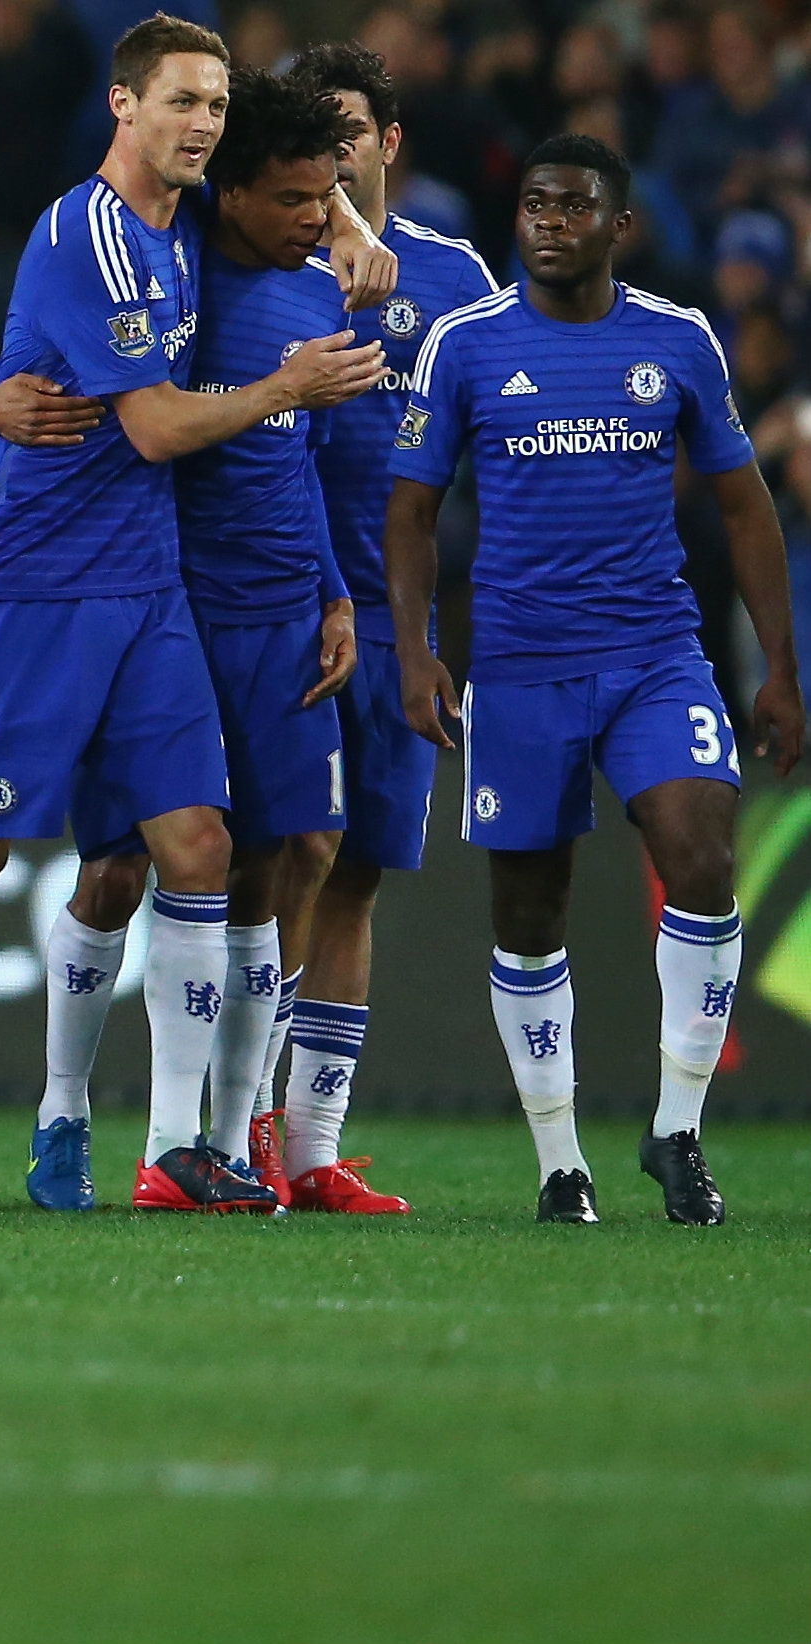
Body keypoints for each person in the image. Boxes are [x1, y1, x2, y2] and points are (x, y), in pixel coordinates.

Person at [0, 14, 388, 1216]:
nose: (202, 124)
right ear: (124, 105)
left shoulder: (187, 231)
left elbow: (293, 178)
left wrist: (346, 213)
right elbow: (153, 427)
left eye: (216, 107)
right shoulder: (96, 235)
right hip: (29, 590)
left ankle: (180, 1147)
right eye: (181, 101)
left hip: (149, 589)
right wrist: (285, 385)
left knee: (201, 850)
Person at [387, 136, 804, 1226]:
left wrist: (778, 670)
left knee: (703, 854)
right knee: (530, 912)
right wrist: (418, 650)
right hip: (520, 670)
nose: (548, 222)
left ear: (619, 226)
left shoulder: (676, 339)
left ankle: (677, 1131)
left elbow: (744, 501)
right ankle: (559, 1161)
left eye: (573, 207)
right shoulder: (464, 345)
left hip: (657, 654)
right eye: (533, 203)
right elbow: (412, 510)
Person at [23, 72, 357, 1212]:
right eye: (296, 197)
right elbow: (53, 364)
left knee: (284, 857)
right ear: (232, 193)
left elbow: (296, 464)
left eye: (329, 197)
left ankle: (226, 1134)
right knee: (120, 870)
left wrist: (334, 590)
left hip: (280, 611)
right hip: (165, 602)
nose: (315, 216)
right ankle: (63, 1113)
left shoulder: (321, 293)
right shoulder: (169, 263)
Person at [286, 39, 498, 1211]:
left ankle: (313, 1155)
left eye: (350, 132)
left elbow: (491, 451)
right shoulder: (259, 258)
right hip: (287, 609)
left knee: (358, 876)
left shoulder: (456, 277)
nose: (334, 152)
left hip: (398, 612)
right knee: (289, 856)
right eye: (314, 134)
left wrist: (441, 633)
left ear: (390, 144)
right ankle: (230, 1130)